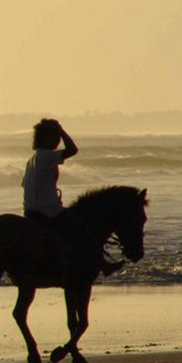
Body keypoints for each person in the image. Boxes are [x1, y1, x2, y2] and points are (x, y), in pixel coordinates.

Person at [21, 118, 121, 275]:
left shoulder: (32, 159)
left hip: (30, 209)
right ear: (45, 137)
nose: (57, 140)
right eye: (54, 136)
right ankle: (103, 265)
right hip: (48, 210)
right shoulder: (46, 156)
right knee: (81, 229)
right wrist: (61, 130)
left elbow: (25, 185)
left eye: (58, 136)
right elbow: (73, 150)